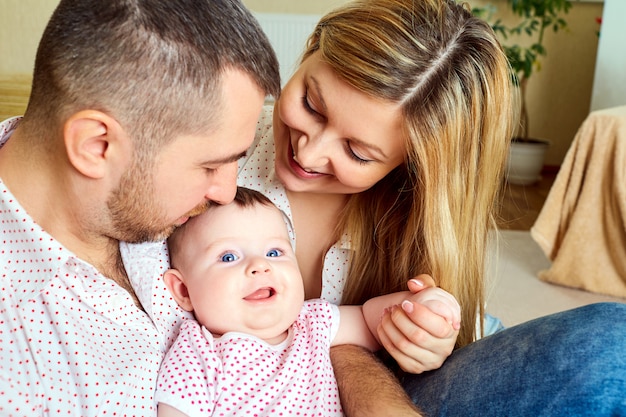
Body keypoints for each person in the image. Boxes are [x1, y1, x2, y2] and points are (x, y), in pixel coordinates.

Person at [236, 0, 626, 415]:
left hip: (381, 379)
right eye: (312, 104)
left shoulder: (411, 213)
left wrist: (431, 332)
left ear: (410, 165)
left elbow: (463, 339)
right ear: (313, 47)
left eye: (358, 152)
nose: (309, 154)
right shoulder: (222, 146)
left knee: (611, 342)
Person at [0, 0, 281, 414]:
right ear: (97, 147)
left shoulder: (154, 203)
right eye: (209, 166)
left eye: (236, 158)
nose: (227, 191)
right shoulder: (20, 357)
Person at [155, 187, 461, 416]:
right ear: (182, 291)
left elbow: (375, 319)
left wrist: (423, 305)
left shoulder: (314, 322)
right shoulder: (198, 349)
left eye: (274, 253)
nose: (260, 266)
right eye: (229, 256)